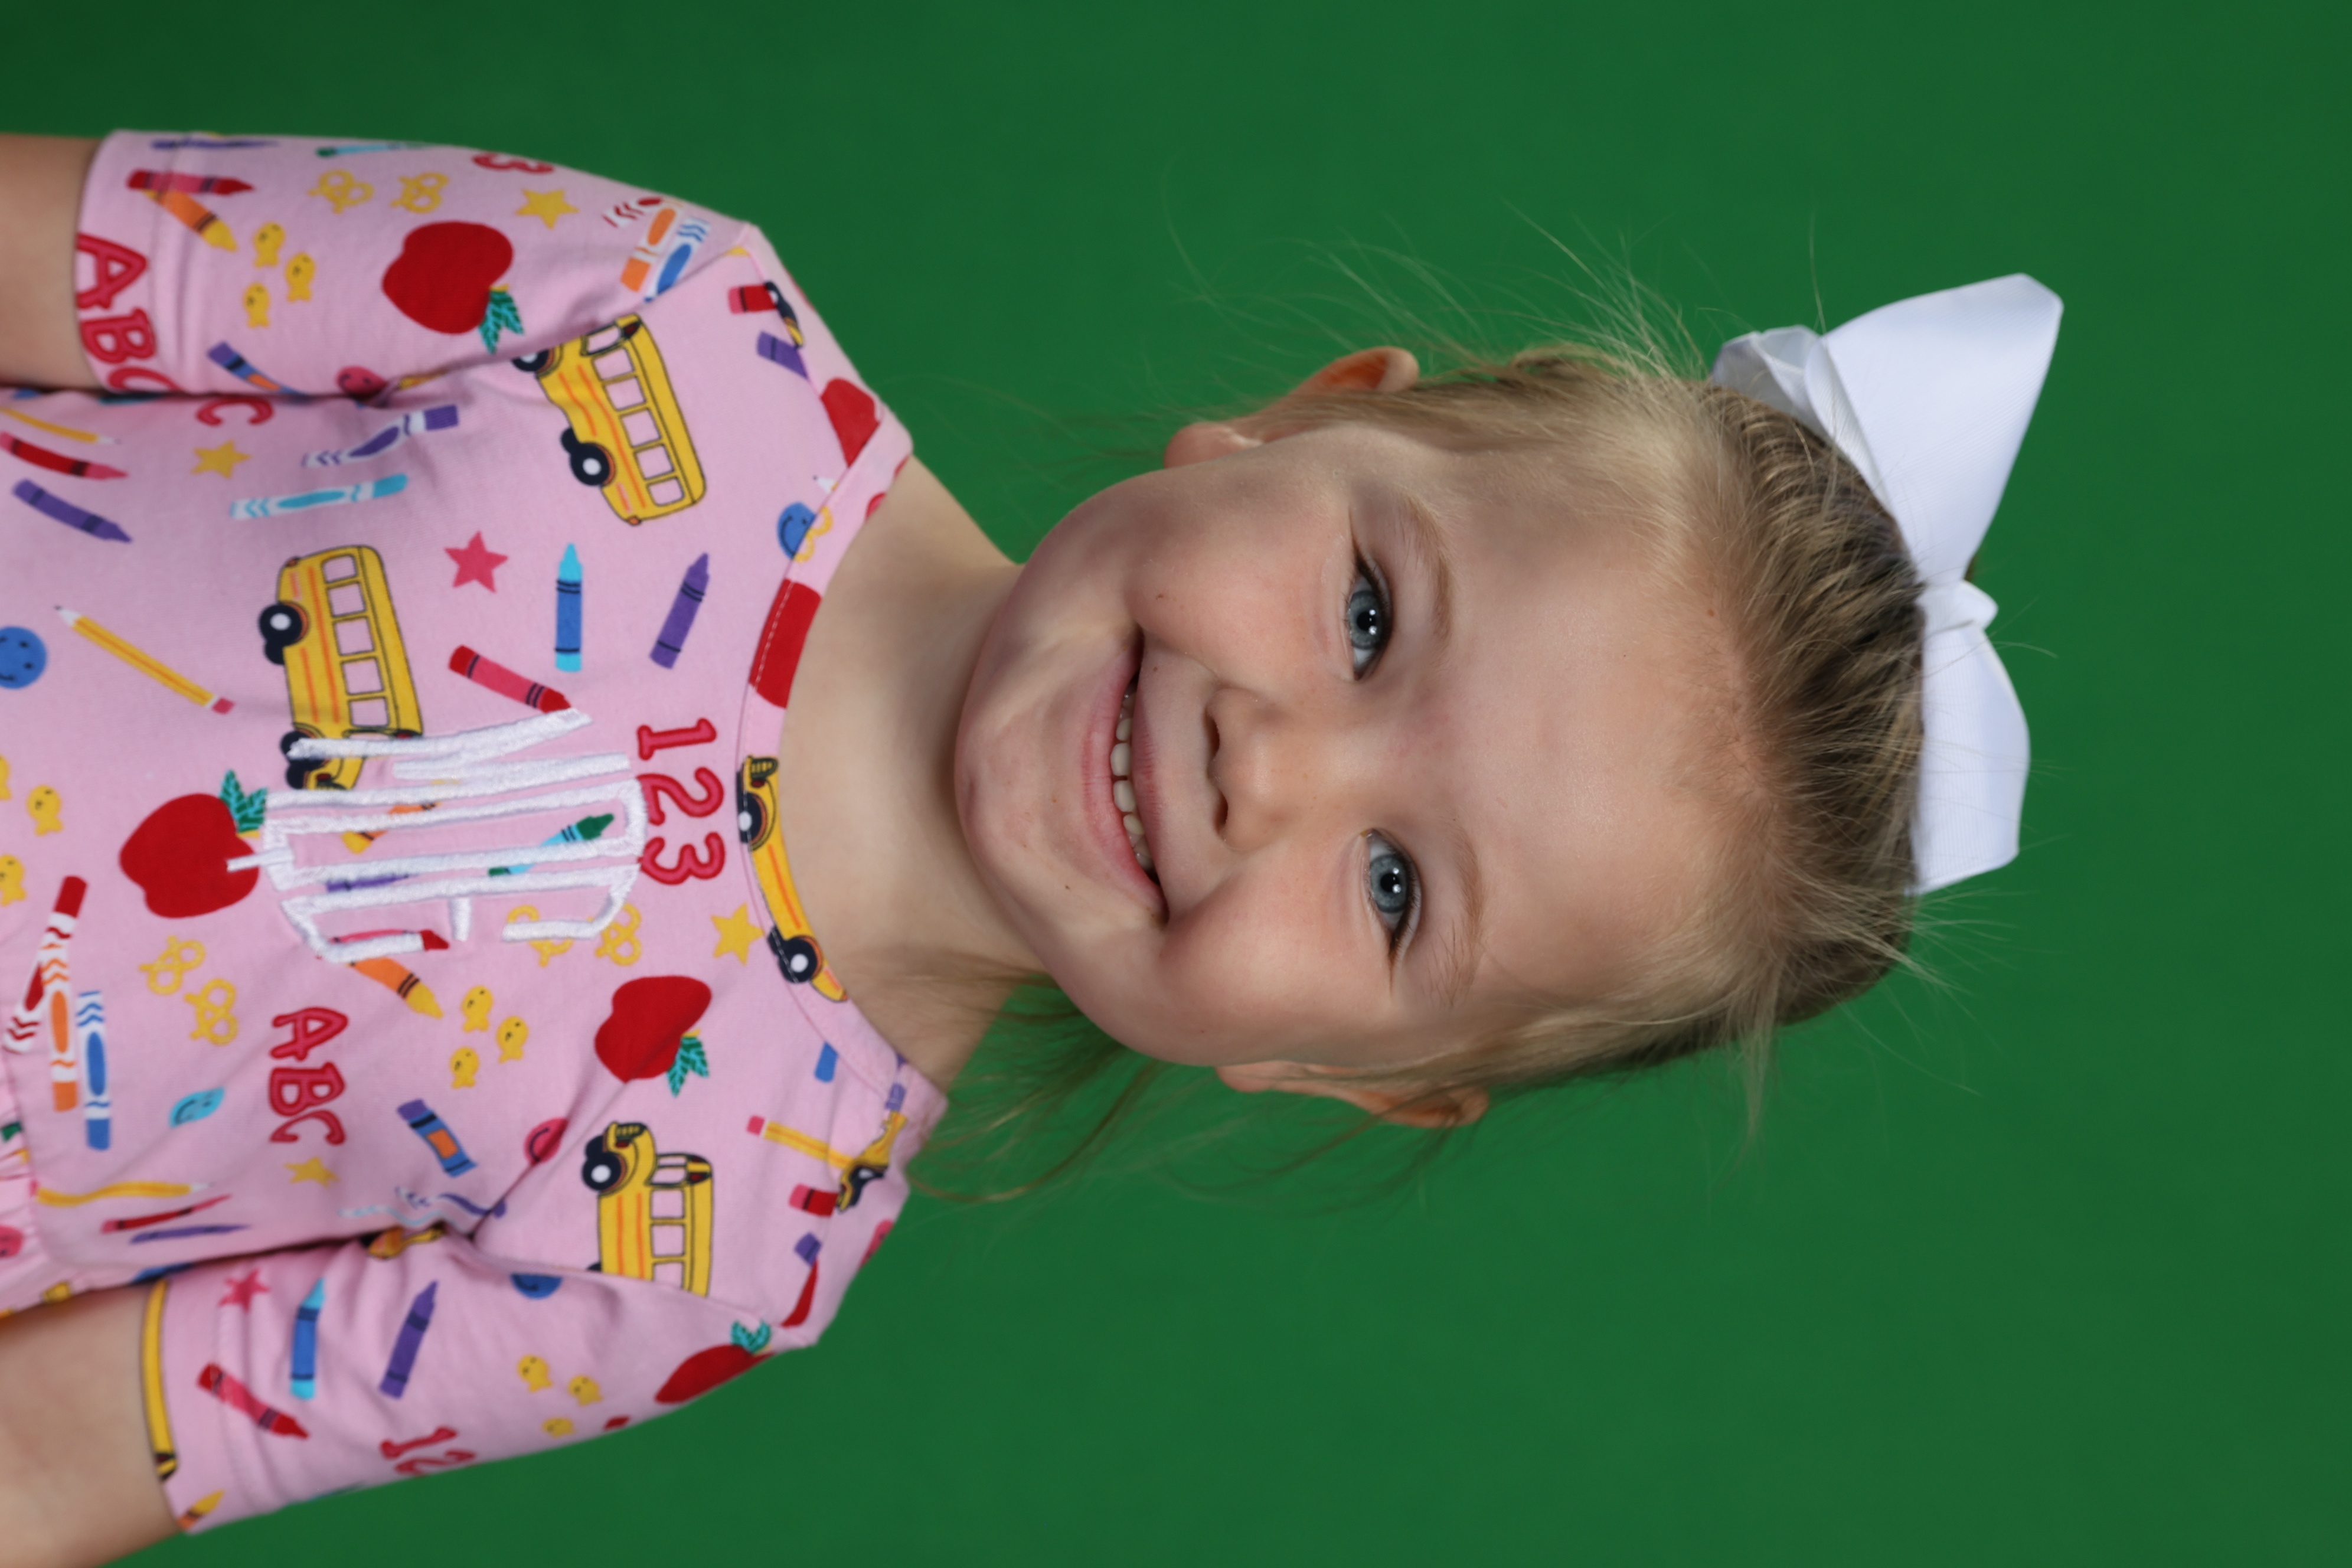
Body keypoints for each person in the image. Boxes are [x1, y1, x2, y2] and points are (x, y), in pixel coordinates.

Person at [0, 132, 2060, 1565]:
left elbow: (61, 1450)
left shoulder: (707, 1252)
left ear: (1349, 1072)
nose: (1274, 768)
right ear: (1302, 414)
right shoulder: (654, 321)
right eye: (1367, 616)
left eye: (1398, 888)